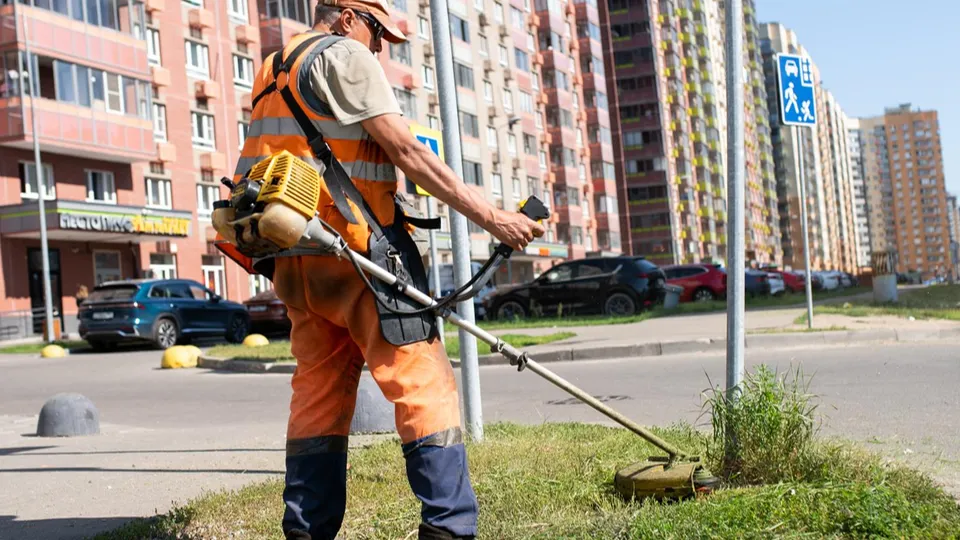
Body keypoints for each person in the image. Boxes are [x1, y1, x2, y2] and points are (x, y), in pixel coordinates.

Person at [231, 1, 544, 539]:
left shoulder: (273, 66)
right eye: (379, 33)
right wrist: (493, 218)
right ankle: (449, 528)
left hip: (296, 255)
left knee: (318, 396)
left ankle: (307, 531)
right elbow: (406, 151)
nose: (379, 47)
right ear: (350, 17)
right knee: (424, 385)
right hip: (360, 255)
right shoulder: (344, 55)